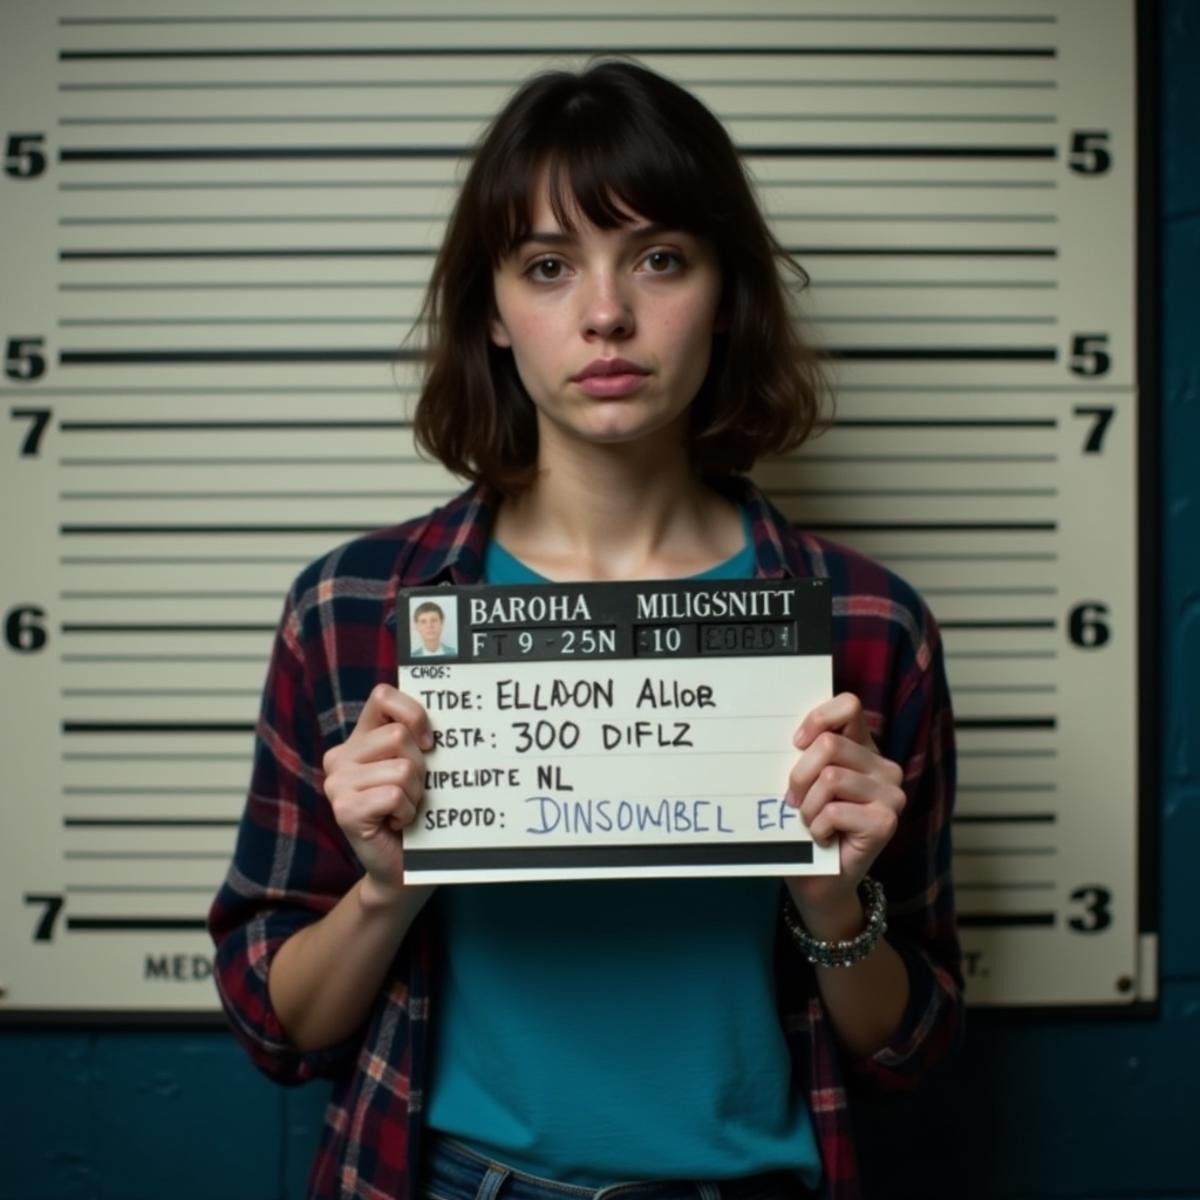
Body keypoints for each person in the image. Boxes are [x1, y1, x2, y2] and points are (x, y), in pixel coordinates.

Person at [208, 59, 962, 1200]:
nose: (606, 312)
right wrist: (386, 886)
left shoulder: (868, 626)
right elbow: (277, 1031)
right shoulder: (352, 611)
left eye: (659, 258)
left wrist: (830, 898)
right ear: (496, 316)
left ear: (726, 291)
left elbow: (913, 1050)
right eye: (549, 267)